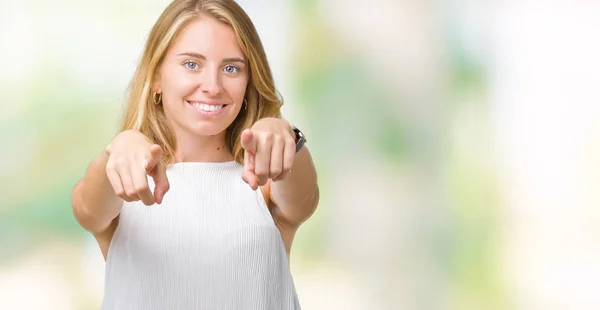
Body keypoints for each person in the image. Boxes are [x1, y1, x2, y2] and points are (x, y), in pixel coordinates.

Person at [70, 0, 319, 309]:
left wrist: (287, 137)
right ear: (157, 76)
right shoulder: (125, 181)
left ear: (248, 82)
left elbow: (304, 198)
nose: (212, 86)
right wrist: (117, 149)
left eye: (231, 68)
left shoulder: (263, 177)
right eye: (192, 64)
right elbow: (88, 209)